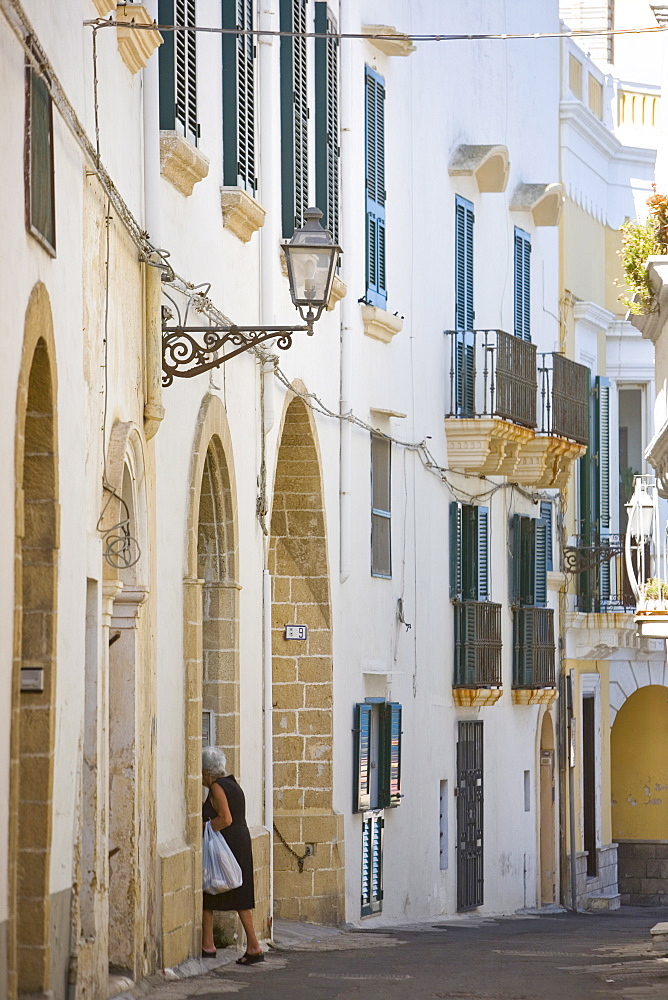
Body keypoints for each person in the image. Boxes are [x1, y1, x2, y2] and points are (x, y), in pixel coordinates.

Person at [201, 746, 264, 964]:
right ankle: (250, 945)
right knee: (239, 894)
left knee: (208, 890)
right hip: (239, 841)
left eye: (201, 772)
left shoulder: (217, 787)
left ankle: (212, 945)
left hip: (227, 845)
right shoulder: (232, 783)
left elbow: (225, 819)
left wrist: (204, 827)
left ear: (207, 772)